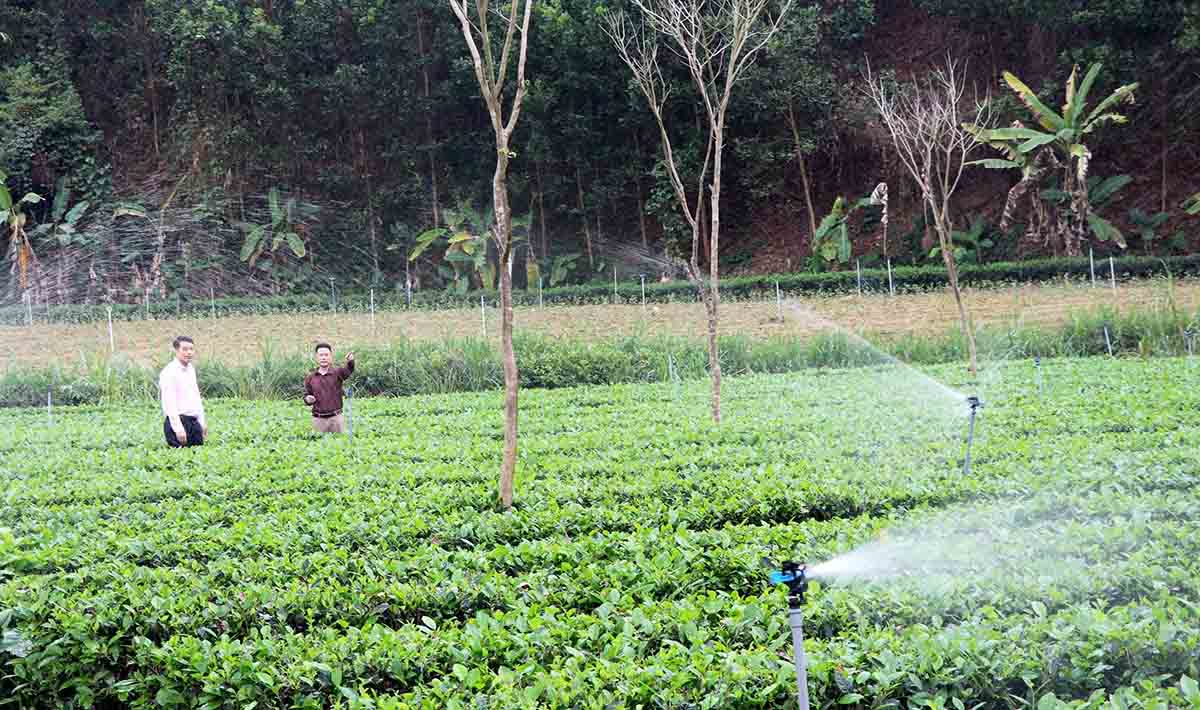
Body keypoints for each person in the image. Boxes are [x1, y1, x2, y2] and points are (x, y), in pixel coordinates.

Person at [159, 335, 207, 447]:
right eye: (184, 349)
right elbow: (169, 403)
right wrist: (178, 429)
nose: (189, 352)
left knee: (198, 458)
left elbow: (196, 397)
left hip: (193, 423)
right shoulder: (169, 372)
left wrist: (202, 422)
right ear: (176, 350)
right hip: (178, 422)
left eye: (191, 349)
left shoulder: (191, 369)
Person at [304, 343, 355, 433]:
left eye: (326, 355)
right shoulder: (311, 377)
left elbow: (349, 370)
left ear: (331, 357)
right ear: (316, 357)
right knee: (317, 445)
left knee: (339, 445)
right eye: (321, 355)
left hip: (336, 418)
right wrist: (308, 399)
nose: (324, 357)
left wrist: (350, 361)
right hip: (318, 419)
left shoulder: (338, 372)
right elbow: (307, 395)